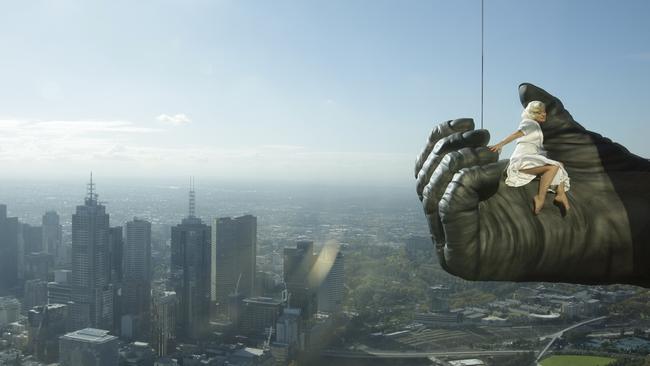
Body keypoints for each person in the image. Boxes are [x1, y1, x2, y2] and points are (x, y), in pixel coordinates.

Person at [488, 101, 570, 215]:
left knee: (559, 164)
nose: (544, 114)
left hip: (532, 157)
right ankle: (540, 198)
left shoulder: (536, 126)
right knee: (553, 167)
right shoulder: (530, 123)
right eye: (540, 112)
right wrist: (500, 144)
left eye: (544, 112)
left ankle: (560, 194)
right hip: (523, 159)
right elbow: (517, 134)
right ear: (533, 114)